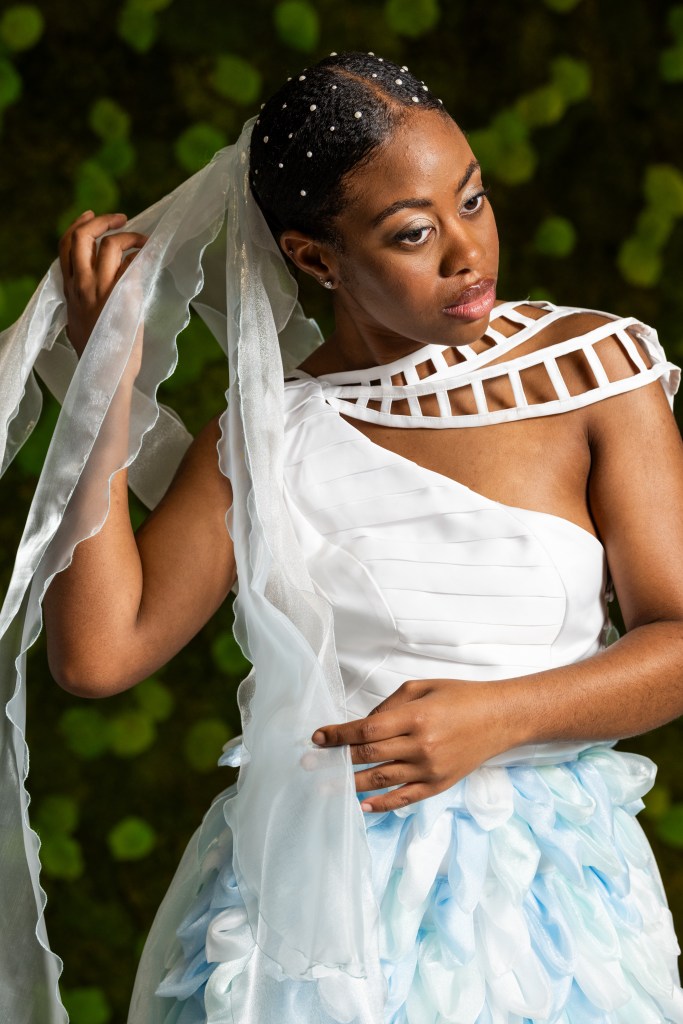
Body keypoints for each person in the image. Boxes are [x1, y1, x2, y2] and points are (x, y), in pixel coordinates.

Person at [1, 50, 683, 1024]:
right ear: (317, 258)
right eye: (412, 232)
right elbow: (98, 656)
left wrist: (499, 716)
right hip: (313, 914)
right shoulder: (266, 436)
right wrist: (104, 394)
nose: (466, 253)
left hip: (546, 906)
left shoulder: (591, 373)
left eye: (472, 201)